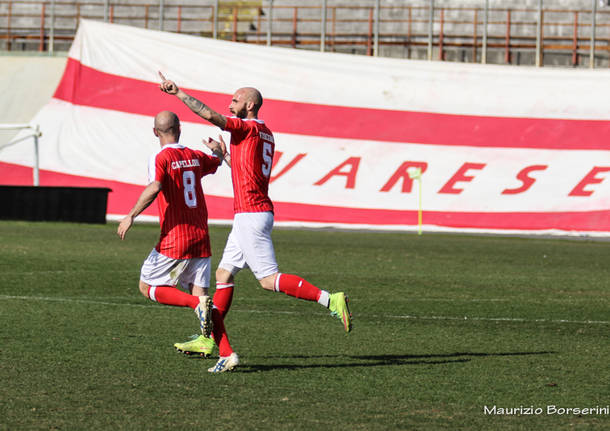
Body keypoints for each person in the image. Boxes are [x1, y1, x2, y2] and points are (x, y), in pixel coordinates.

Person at [159, 73, 352, 374]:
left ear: (249, 105)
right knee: (224, 273)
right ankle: (210, 340)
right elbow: (246, 169)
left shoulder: (245, 127)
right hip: (251, 213)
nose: (229, 104)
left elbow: (209, 115)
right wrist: (222, 155)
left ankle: (330, 299)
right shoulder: (265, 133)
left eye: (235, 100)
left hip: (251, 214)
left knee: (267, 279)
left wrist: (179, 93)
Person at [117, 110, 228, 356]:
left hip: (175, 237)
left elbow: (155, 185)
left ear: (155, 132)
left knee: (147, 286)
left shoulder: (160, 156)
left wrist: (131, 215)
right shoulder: (194, 156)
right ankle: (212, 344)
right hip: (201, 236)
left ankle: (195, 306)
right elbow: (217, 161)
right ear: (180, 129)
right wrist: (218, 150)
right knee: (200, 292)